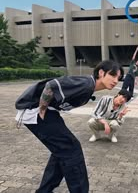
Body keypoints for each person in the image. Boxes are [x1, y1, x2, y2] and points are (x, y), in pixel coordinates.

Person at [15, 60, 123, 193]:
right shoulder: (86, 84)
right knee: (72, 149)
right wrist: (42, 109)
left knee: (62, 151)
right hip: (35, 111)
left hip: (44, 112)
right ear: (101, 73)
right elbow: (51, 85)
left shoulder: (89, 87)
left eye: (118, 78)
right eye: (113, 75)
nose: (116, 80)